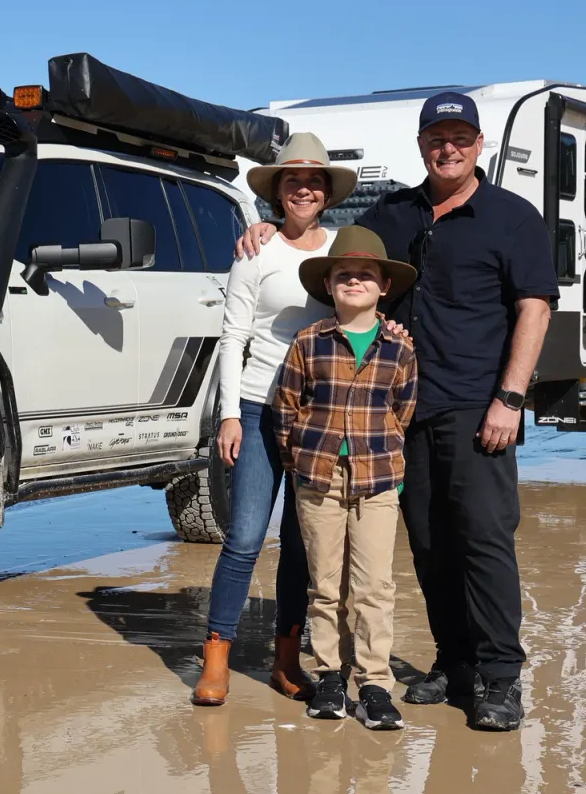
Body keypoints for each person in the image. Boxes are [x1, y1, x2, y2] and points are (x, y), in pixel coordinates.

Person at [238, 91, 557, 731]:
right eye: (437, 138)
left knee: (485, 541)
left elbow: (534, 308)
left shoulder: (512, 218)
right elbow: (334, 252)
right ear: (421, 146)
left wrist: (510, 398)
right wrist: (274, 226)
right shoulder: (394, 213)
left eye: (461, 137)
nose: (449, 148)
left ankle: (499, 677)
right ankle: (454, 662)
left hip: (477, 406)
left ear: (479, 145)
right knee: (430, 543)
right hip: (399, 413)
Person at [191, 133, 355, 707]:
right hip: (260, 406)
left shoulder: (342, 250)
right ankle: (217, 657)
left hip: (319, 414)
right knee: (242, 537)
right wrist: (229, 416)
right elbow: (232, 336)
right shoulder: (253, 251)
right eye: (292, 180)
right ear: (277, 192)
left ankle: (286, 660)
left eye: (314, 180)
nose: (303, 188)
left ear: (327, 192)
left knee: (299, 543)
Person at [273, 227, 417, 730]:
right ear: (329, 286)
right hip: (318, 479)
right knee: (325, 586)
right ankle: (329, 675)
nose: (354, 281)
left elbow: (403, 411)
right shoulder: (309, 342)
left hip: (378, 482)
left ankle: (375, 683)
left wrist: (389, 470)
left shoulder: (399, 349)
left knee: (376, 585)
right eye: (343, 275)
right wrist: (301, 464)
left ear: (383, 288)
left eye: (365, 275)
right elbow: (286, 409)